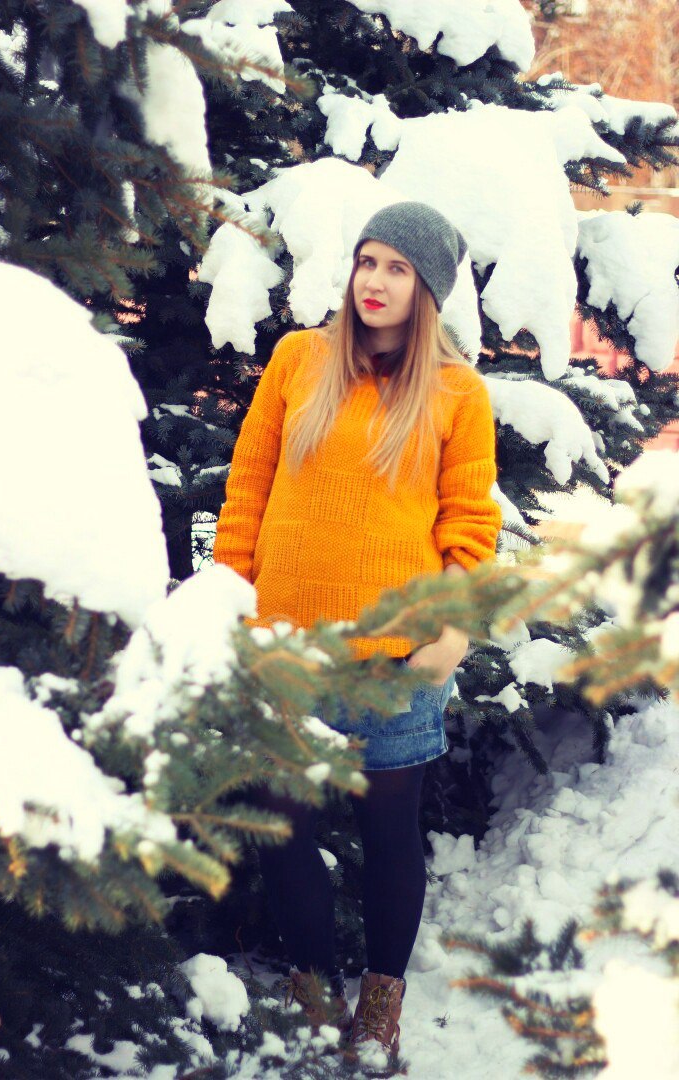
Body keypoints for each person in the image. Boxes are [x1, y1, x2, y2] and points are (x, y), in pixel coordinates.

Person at [212, 201, 501, 1055]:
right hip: (284, 652)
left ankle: (380, 1003)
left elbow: (469, 525)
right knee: (284, 832)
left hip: (395, 663)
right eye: (368, 261)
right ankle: (311, 989)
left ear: (427, 289)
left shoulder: (457, 392)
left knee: (388, 837)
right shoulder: (299, 360)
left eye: (398, 268)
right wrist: (229, 597)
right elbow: (247, 487)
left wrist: (452, 630)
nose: (375, 281)